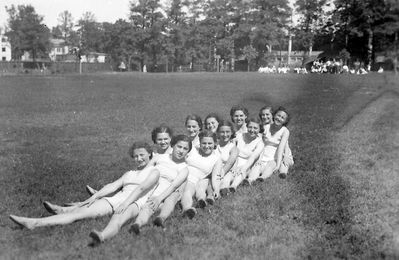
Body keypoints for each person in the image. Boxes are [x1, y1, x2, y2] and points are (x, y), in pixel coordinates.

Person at [9, 142, 159, 235]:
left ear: (150, 155)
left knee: (94, 217)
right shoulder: (130, 173)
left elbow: (141, 189)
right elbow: (113, 185)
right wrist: (95, 196)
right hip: (115, 200)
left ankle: (40, 221)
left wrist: (126, 204)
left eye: (142, 155)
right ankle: (35, 223)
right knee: (80, 213)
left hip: (132, 203)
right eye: (135, 156)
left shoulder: (154, 172)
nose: (138, 159)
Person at [129, 135, 191, 234]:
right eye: (179, 147)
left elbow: (173, 186)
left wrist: (158, 198)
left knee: (148, 206)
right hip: (149, 183)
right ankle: (136, 223)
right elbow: (146, 170)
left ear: (188, 152)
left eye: (185, 149)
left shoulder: (184, 169)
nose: (181, 151)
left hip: (163, 190)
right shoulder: (160, 157)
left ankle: (139, 224)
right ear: (172, 146)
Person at [181, 130, 222, 219]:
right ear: (199, 143)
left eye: (210, 143)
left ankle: (197, 203)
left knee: (194, 189)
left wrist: (216, 189)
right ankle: (188, 208)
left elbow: (216, 176)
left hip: (197, 179)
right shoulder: (193, 150)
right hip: (183, 176)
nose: (207, 146)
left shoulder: (216, 158)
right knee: (188, 189)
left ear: (215, 143)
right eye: (204, 143)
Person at [219, 118, 264, 195]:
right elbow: (233, 148)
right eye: (250, 127)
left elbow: (252, 157)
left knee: (240, 174)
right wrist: (234, 165)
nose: (252, 130)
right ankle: (223, 189)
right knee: (228, 175)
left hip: (248, 163)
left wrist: (243, 168)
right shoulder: (239, 136)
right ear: (247, 126)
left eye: (255, 128)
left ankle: (233, 187)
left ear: (259, 129)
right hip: (235, 161)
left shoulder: (260, 143)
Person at [247, 107, 291, 183]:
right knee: (257, 165)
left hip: (277, 153)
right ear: (274, 115)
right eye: (278, 116)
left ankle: (263, 177)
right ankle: (249, 180)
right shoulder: (265, 128)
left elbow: (281, 147)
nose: (279, 118)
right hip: (265, 151)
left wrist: (278, 164)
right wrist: (259, 158)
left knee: (272, 165)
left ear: (285, 121)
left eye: (282, 118)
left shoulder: (285, 131)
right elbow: (260, 143)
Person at [211, 120, 239, 199]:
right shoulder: (214, 144)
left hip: (226, 170)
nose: (225, 134)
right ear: (218, 133)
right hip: (214, 169)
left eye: (227, 132)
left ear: (231, 133)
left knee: (226, 179)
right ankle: (215, 191)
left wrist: (222, 172)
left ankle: (222, 190)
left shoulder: (233, 148)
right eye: (222, 132)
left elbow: (230, 162)